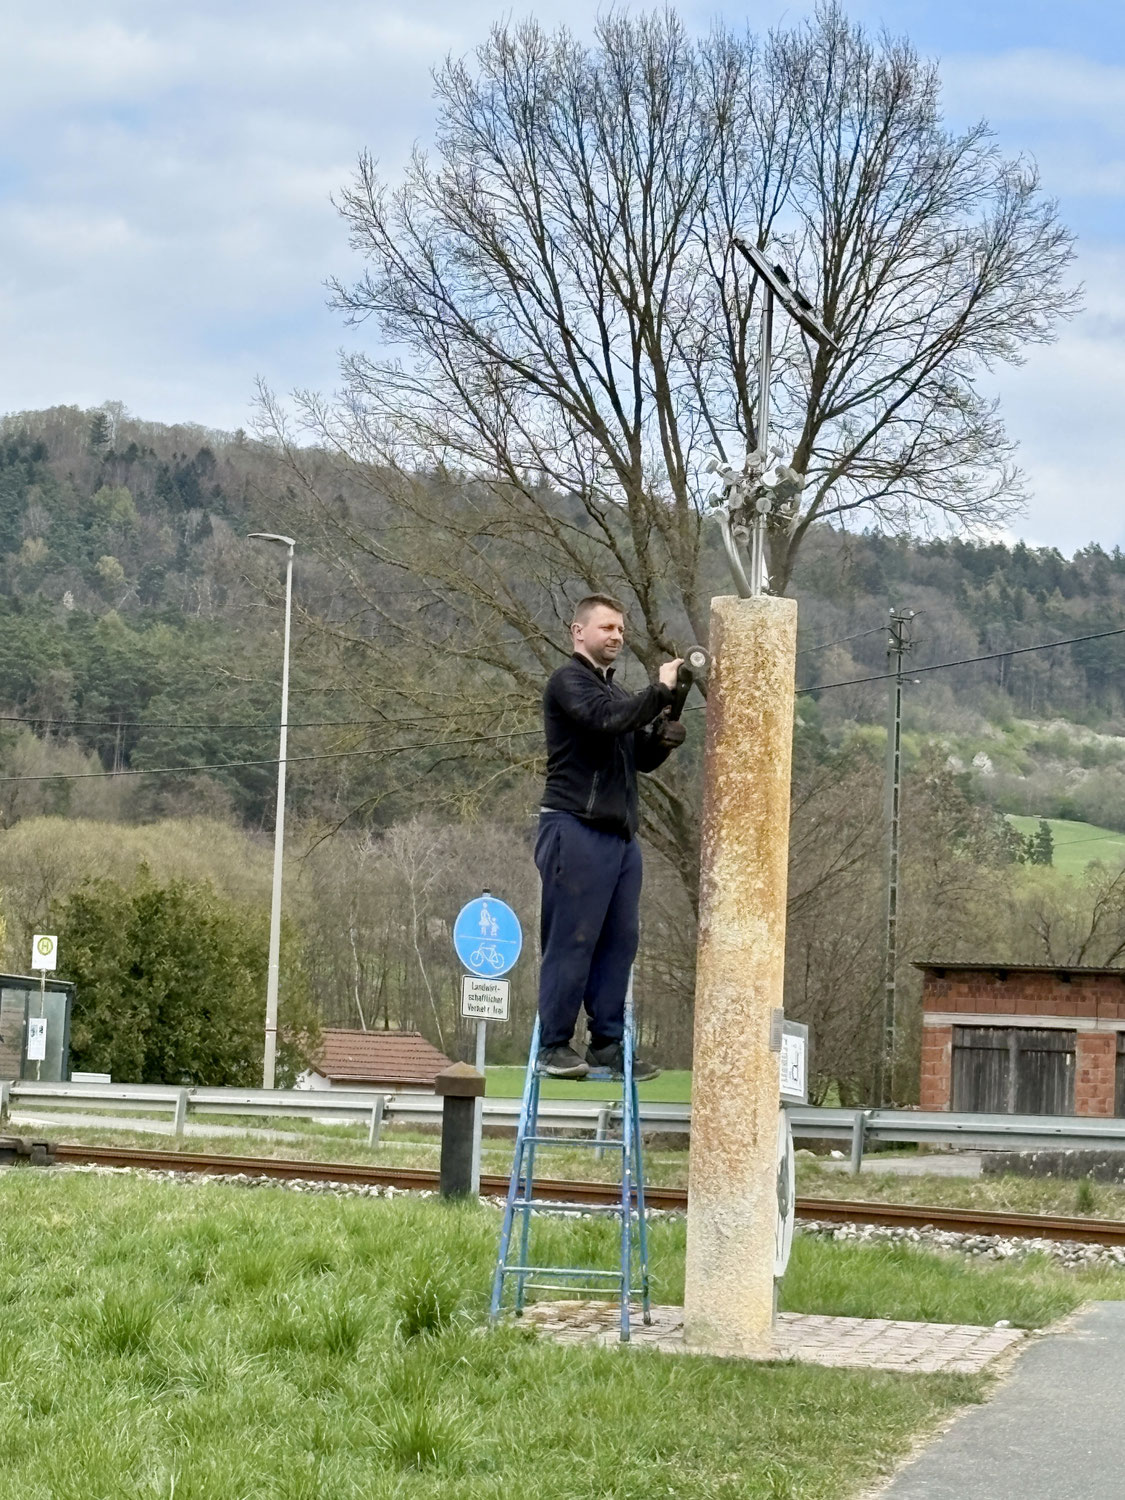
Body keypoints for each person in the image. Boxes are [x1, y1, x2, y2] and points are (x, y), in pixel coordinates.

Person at [535, 593, 686, 1080]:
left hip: (620, 838)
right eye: (606, 628)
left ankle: (607, 1043)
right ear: (578, 632)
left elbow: (638, 756)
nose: (616, 636)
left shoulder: (617, 697)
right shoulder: (569, 683)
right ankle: (554, 1044)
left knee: (620, 942)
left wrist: (663, 732)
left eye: (620, 629)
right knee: (572, 939)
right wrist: (659, 692)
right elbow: (605, 722)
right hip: (574, 826)